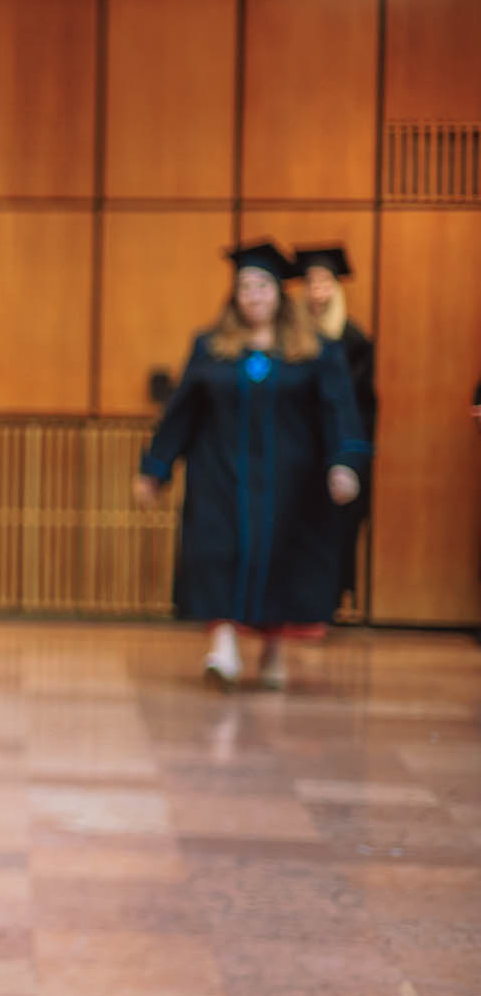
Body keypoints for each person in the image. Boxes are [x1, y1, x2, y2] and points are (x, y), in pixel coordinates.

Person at [133, 242, 367, 690]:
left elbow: (339, 410)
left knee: (280, 560)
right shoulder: (212, 348)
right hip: (220, 476)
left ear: (279, 293)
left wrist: (345, 463)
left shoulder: (315, 352)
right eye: (245, 287)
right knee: (217, 554)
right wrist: (155, 469)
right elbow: (182, 412)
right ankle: (223, 647)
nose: (253, 295)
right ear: (234, 296)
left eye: (262, 286)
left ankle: (272, 651)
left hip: (289, 481)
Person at [295, 243, 375, 609]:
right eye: (311, 283)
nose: (318, 291)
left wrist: (351, 456)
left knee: (334, 526)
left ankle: (327, 602)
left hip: (335, 445)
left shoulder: (352, 339)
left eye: (325, 282)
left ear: (336, 288)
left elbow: (359, 402)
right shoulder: (292, 336)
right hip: (297, 444)